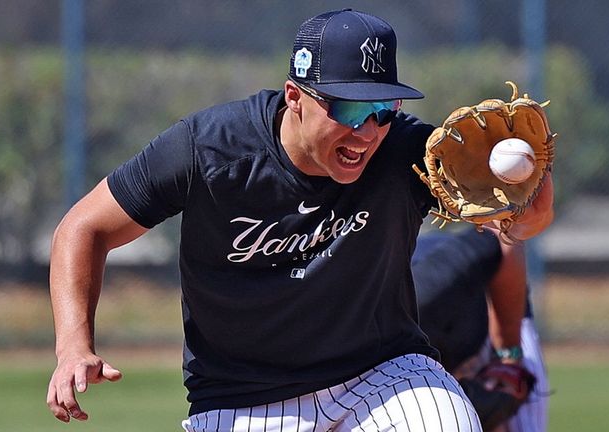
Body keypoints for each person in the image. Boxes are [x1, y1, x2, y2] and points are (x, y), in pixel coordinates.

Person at [46, 9, 553, 432]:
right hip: (240, 397)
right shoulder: (208, 150)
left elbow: (521, 227)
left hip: (382, 375)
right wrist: (74, 346)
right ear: (295, 96)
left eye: (383, 107)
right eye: (349, 107)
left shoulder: (406, 153)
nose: (368, 130)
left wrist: (532, 191)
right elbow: (84, 227)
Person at [412, 228, 549, 432]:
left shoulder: (428, 289)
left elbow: (503, 238)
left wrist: (509, 357)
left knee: (511, 396)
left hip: (493, 305)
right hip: (428, 351)